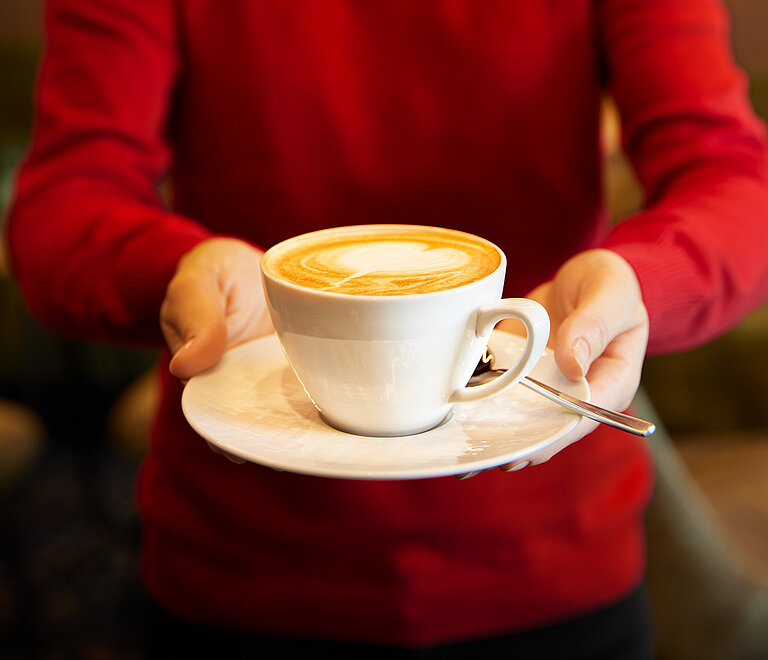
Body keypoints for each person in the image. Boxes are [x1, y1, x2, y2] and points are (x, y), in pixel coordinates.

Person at [6, 0, 768, 657]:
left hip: (549, 559)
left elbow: (733, 177)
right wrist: (174, 268)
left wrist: (642, 281)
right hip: (243, 567)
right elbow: (63, 201)